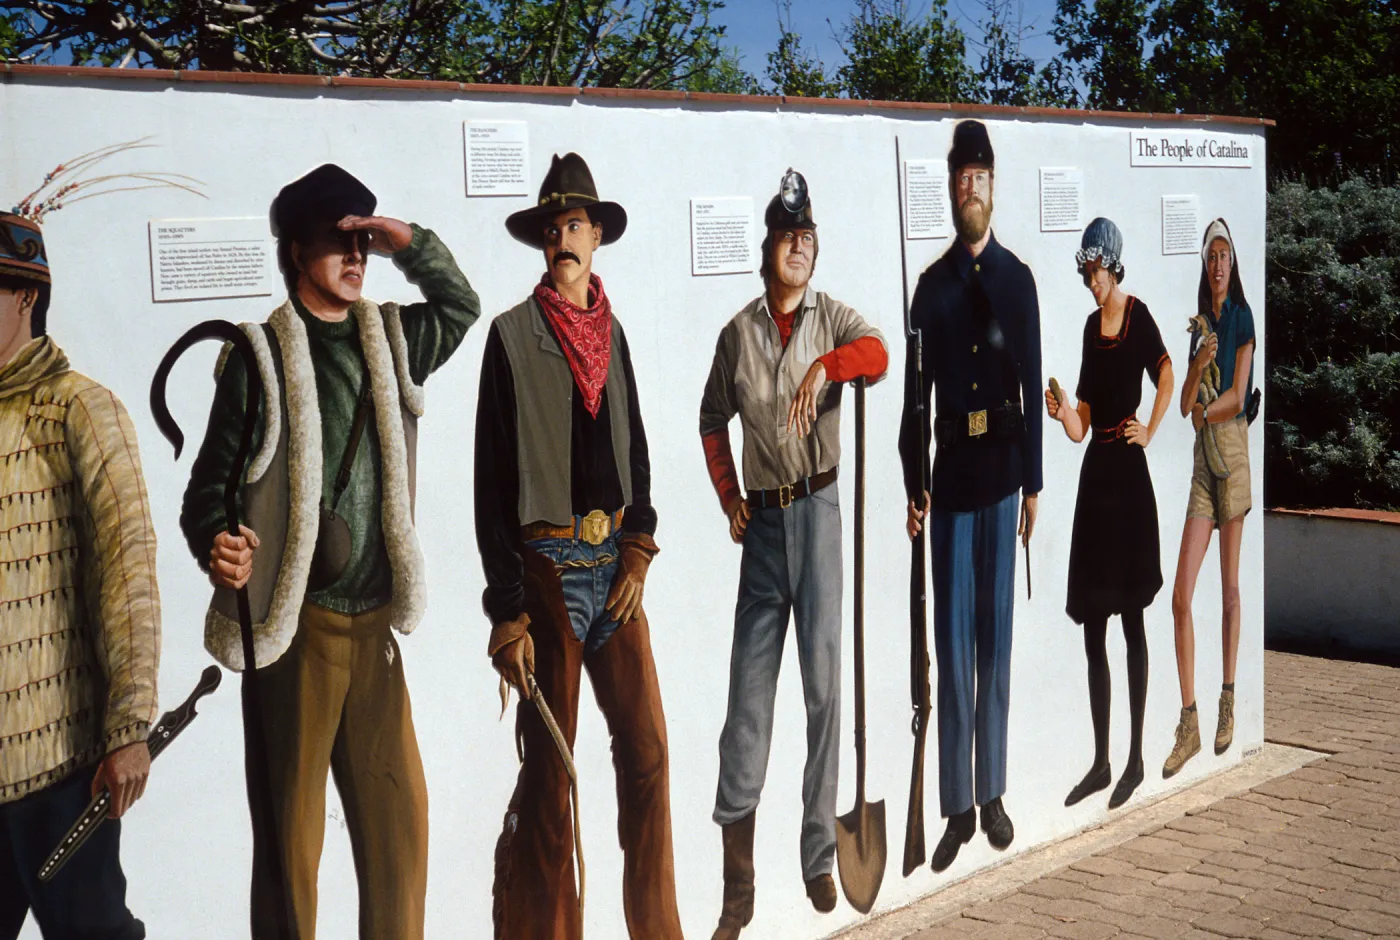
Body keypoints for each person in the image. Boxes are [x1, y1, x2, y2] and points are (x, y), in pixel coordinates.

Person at [179, 163, 481, 938]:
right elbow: (208, 491)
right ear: (295, 251)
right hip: (296, 636)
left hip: (375, 629)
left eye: (362, 242)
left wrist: (406, 240)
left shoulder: (394, 337)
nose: (355, 257)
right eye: (336, 241)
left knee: (400, 835)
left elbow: (461, 304)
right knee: (291, 855)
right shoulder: (259, 357)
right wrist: (219, 542)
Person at [477, 152, 682, 940]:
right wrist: (507, 611)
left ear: (596, 236)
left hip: (613, 569)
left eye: (575, 226)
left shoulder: (614, 334)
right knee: (551, 780)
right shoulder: (510, 337)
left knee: (648, 754)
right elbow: (491, 483)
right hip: (547, 570)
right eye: (552, 229)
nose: (562, 240)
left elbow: (637, 454)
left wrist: (639, 548)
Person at [699, 170, 888, 937]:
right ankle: (737, 884)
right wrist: (728, 496)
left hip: (819, 511)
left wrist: (823, 365)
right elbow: (711, 420)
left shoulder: (831, 317)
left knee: (823, 691)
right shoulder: (738, 333)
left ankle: (817, 856)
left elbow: (877, 354)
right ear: (769, 248)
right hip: (765, 531)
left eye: (808, 238)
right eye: (788, 238)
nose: (799, 248)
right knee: (747, 702)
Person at [0, 208, 160, 940]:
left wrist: (129, 727)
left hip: (65, 772)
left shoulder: (82, 410)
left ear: (26, 296)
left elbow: (128, 574)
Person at [898, 119, 1043, 873]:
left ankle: (993, 794)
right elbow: (913, 401)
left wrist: (1035, 485)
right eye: (961, 179)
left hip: (1004, 478)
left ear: (993, 186)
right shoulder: (931, 289)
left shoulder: (1018, 281)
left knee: (997, 644)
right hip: (952, 483)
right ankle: (956, 805)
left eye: (980, 178)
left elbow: (1034, 375)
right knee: (953, 648)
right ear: (952, 189)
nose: (971, 190)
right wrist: (913, 482)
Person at [1046, 217, 1174, 811]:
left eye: (1096, 273)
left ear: (1112, 266)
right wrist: (1063, 413)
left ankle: (1136, 758)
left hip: (1128, 478)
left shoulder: (1138, 316)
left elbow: (1166, 372)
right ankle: (1101, 761)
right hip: (1095, 479)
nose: (1091, 283)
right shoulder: (1087, 328)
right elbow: (1082, 424)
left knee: (1132, 621)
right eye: (1087, 275)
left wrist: (1151, 428)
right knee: (1095, 624)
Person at [1163, 218, 1257, 779]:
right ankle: (1189, 721)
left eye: (1225, 255)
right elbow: (1182, 407)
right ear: (1205, 264)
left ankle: (1227, 698)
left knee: (1229, 590)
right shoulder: (1199, 326)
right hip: (1204, 469)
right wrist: (1198, 365)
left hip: (1234, 460)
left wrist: (1204, 410)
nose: (1218, 264)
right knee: (1180, 595)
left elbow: (1238, 397)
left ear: (1232, 262)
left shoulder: (1242, 317)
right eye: (1211, 256)